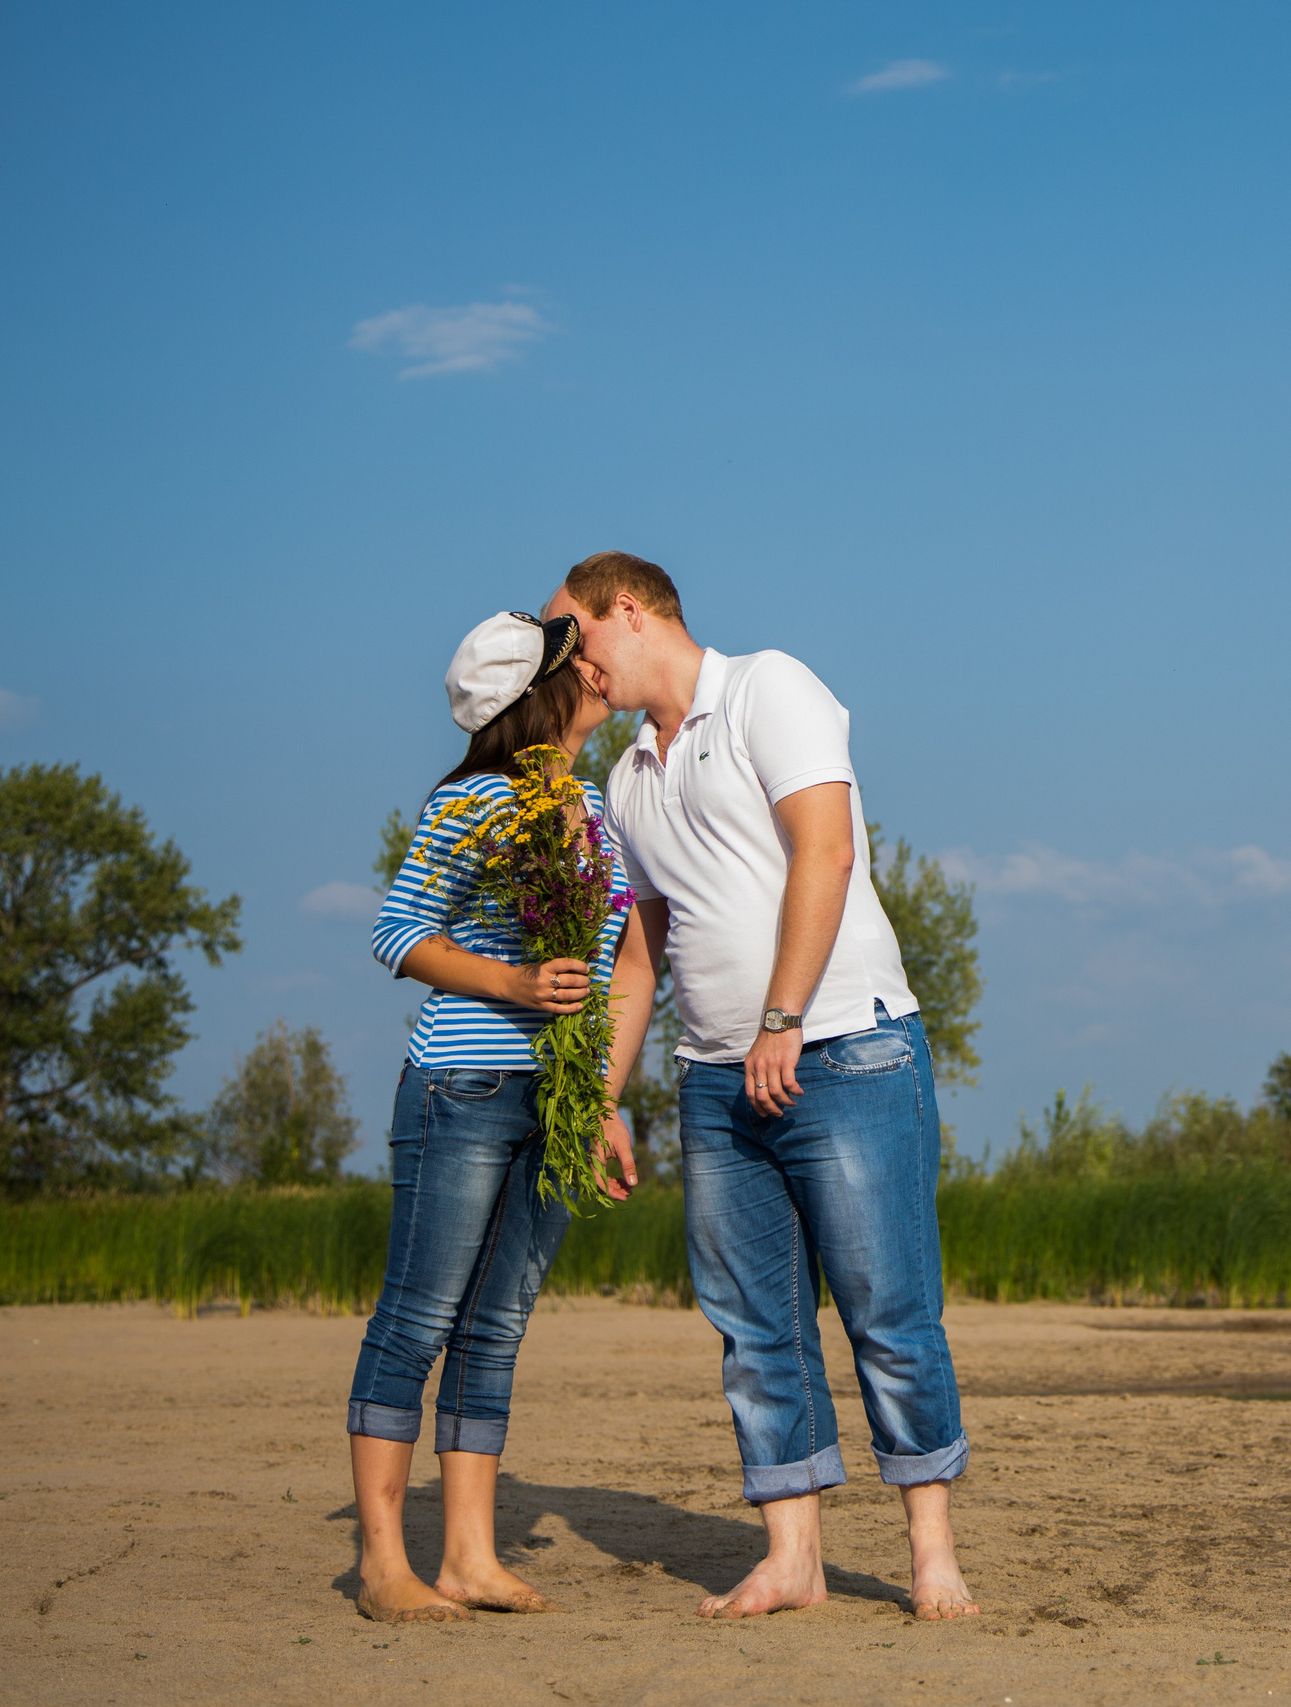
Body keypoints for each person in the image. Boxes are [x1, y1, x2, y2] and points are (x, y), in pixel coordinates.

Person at [543, 551, 978, 1621]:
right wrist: (605, 1092)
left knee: (888, 1311)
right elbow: (641, 956)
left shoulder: (768, 689)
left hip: (844, 1050)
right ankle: (793, 1557)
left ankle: (931, 1554)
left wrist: (781, 1018)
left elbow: (823, 855)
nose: (569, 660)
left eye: (573, 635)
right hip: (712, 1084)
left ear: (629, 612)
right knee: (753, 1326)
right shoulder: (626, 779)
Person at [344, 610, 644, 1623]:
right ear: (545, 691)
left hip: (555, 1099)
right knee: (417, 1319)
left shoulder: (592, 808)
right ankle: (384, 1566)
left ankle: (470, 1556)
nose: (600, 670)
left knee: (497, 1326)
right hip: (463, 1086)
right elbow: (396, 933)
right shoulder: (475, 801)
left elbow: (608, 970)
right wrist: (512, 984)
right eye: (580, 662)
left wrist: (602, 1101)